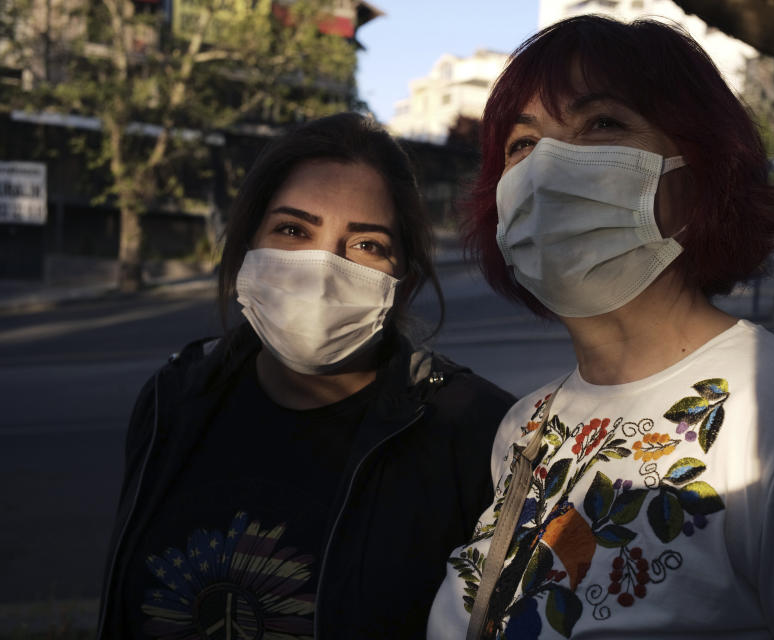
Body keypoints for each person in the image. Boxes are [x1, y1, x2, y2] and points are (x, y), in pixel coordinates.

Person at [428, 16, 774, 640]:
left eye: (601, 124)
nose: (546, 166)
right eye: (522, 144)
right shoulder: (524, 427)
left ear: (700, 174)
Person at [96, 113, 516, 639]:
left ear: (401, 280)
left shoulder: (473, 433)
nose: (322, 269)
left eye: (366, 245)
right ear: (248, 244)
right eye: (294, 230)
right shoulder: (173, 402)